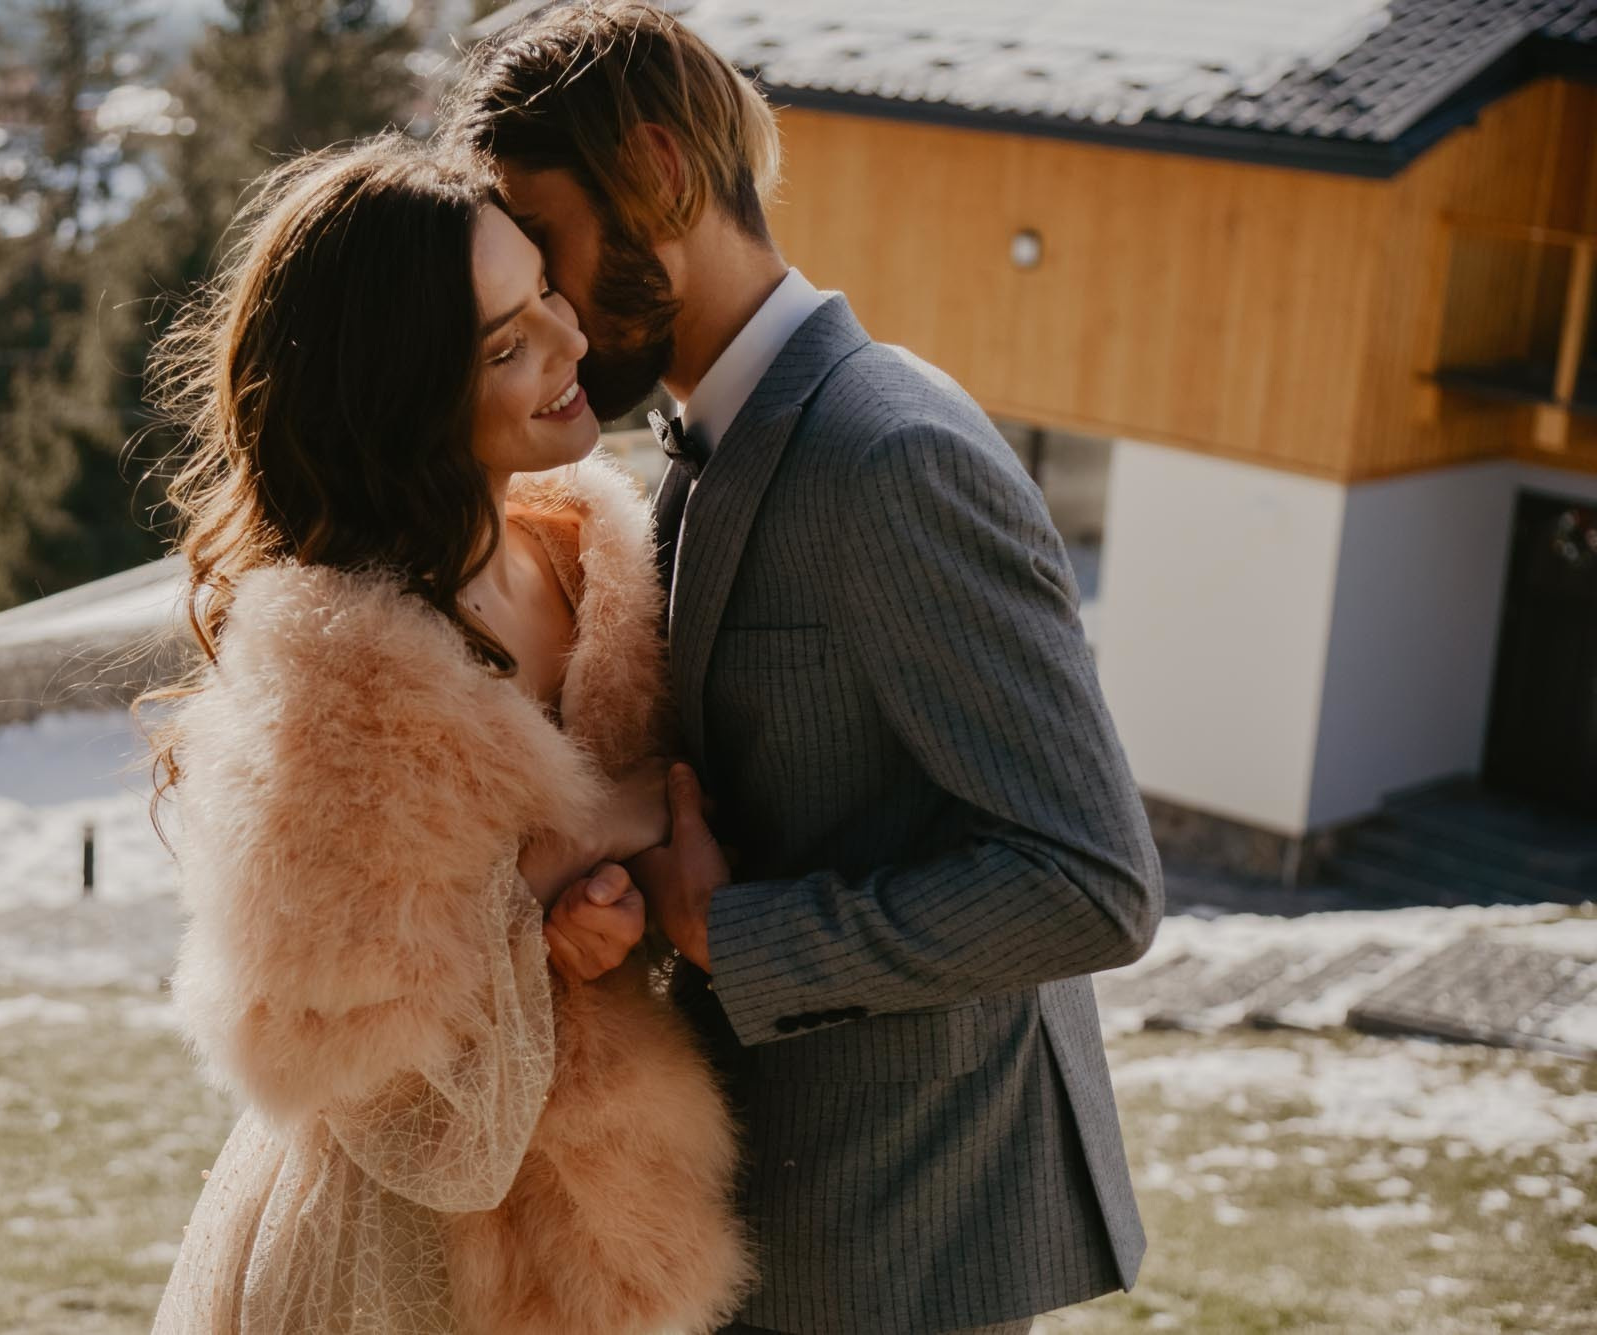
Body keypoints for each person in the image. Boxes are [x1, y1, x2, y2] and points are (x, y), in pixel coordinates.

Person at [443, 5, 1165, 1333]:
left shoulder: (892, 457)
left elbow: (1094, 882)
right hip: (774, 1221)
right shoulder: (707, 437)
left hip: (903, 1243)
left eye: (546, 245)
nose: (541, 303)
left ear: (659, 176)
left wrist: (740, 932)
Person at [143, 135, 751, 1335]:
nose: (573, 346)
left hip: (599, 1226)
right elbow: (342, 1052)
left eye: (544, 296)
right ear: (405, 395)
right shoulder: (337, 670)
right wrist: (588, 843)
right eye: (506, 344)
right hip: (402, 1272)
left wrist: (580, 909)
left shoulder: (593, 565)